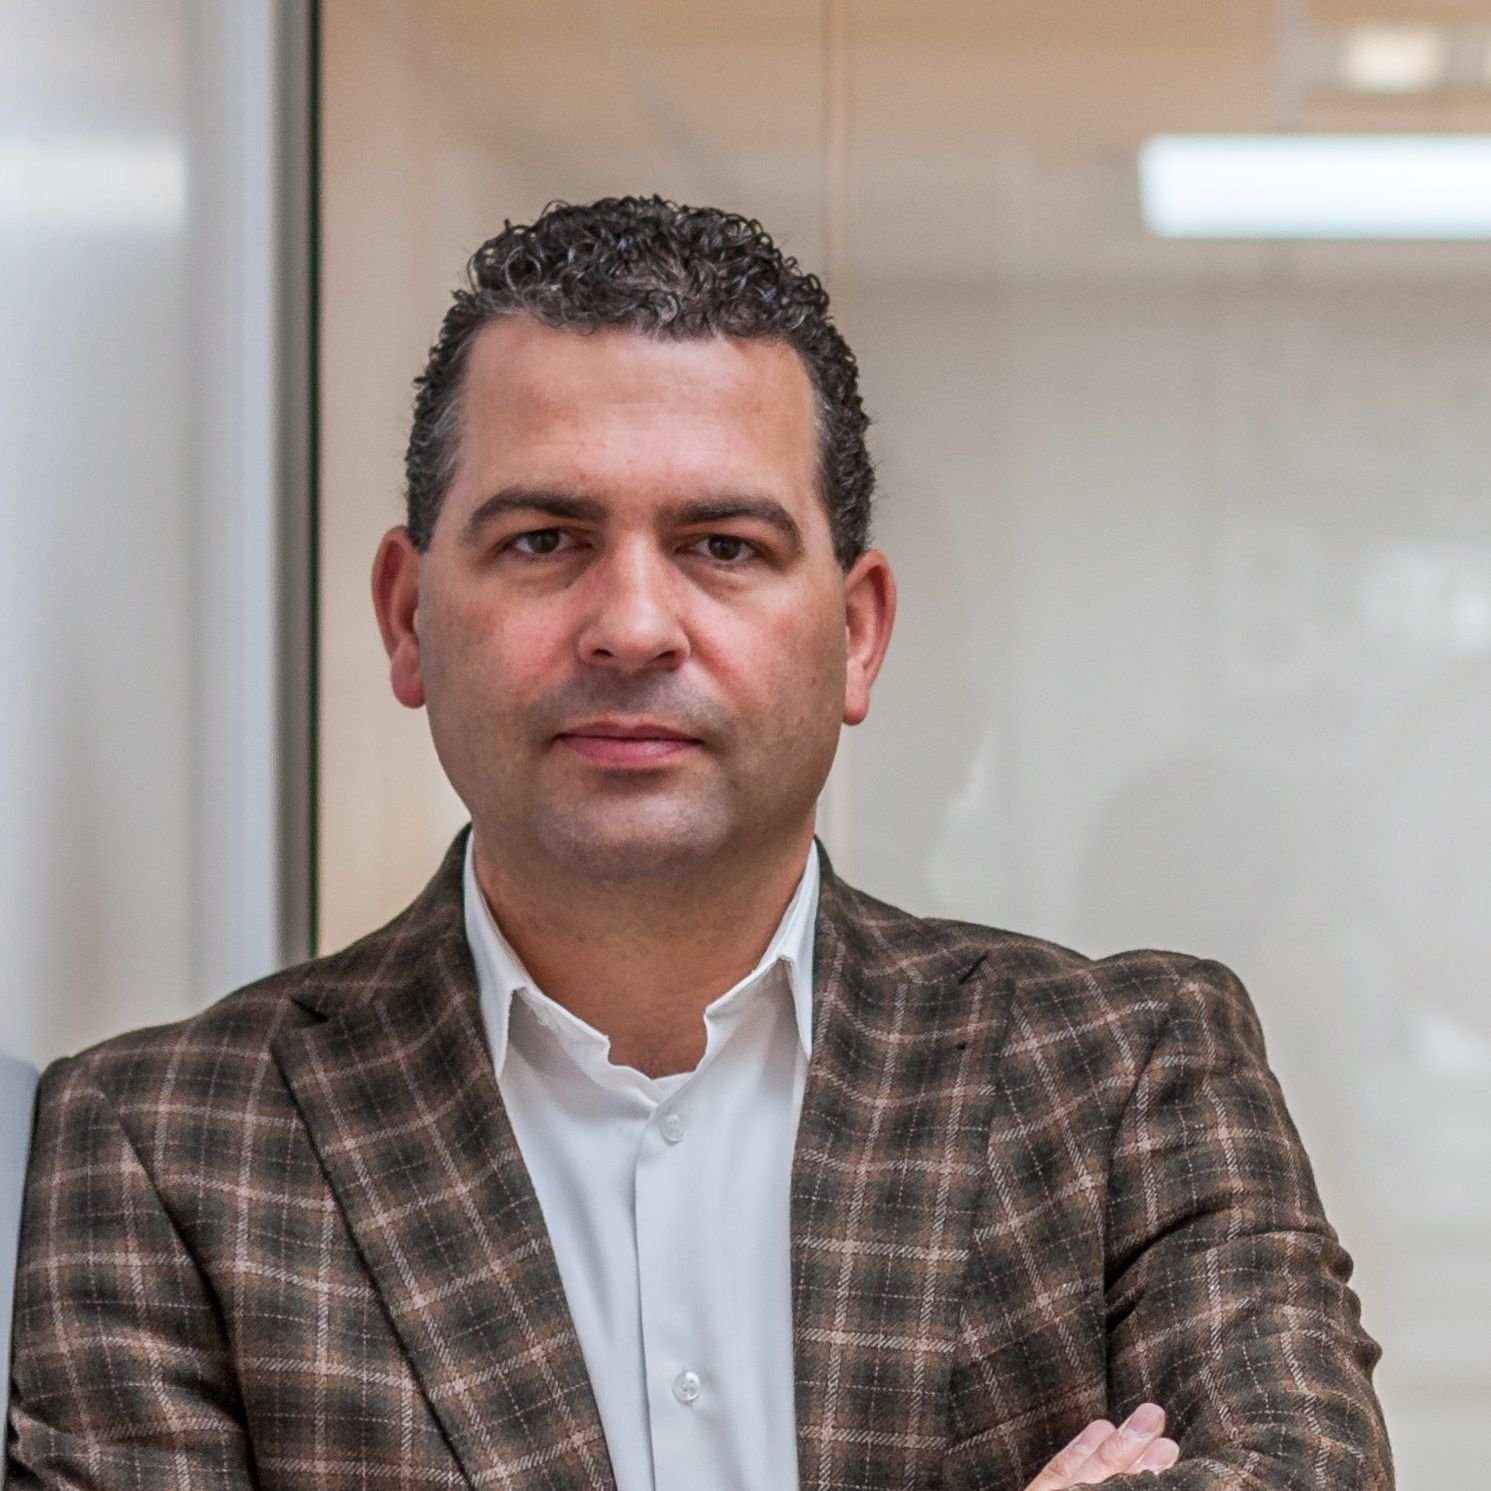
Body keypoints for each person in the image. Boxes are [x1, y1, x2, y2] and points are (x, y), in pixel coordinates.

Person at [6, 197, 1392, 1491]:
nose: (633, 626)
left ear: (857, 633)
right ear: (406, 615)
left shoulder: (1125, 1079)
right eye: (544, 539)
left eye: (722, 546)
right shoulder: (167, 1149)